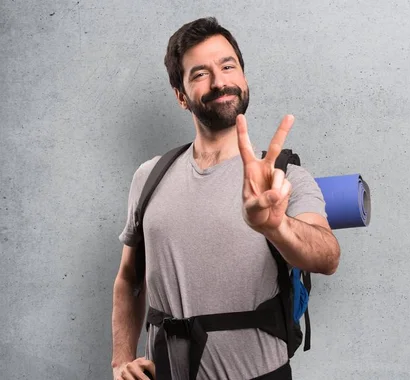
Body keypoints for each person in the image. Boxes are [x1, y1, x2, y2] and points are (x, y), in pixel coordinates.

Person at [111, 16, 341, 380]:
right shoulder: (150, 176)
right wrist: (121, 359)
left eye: (228, 66)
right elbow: (129, 277)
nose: (220, 81)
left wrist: (277, 226)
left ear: (244, 78)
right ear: (181, 95)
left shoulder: (284, 176)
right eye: (200, 73)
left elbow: (327, 256)